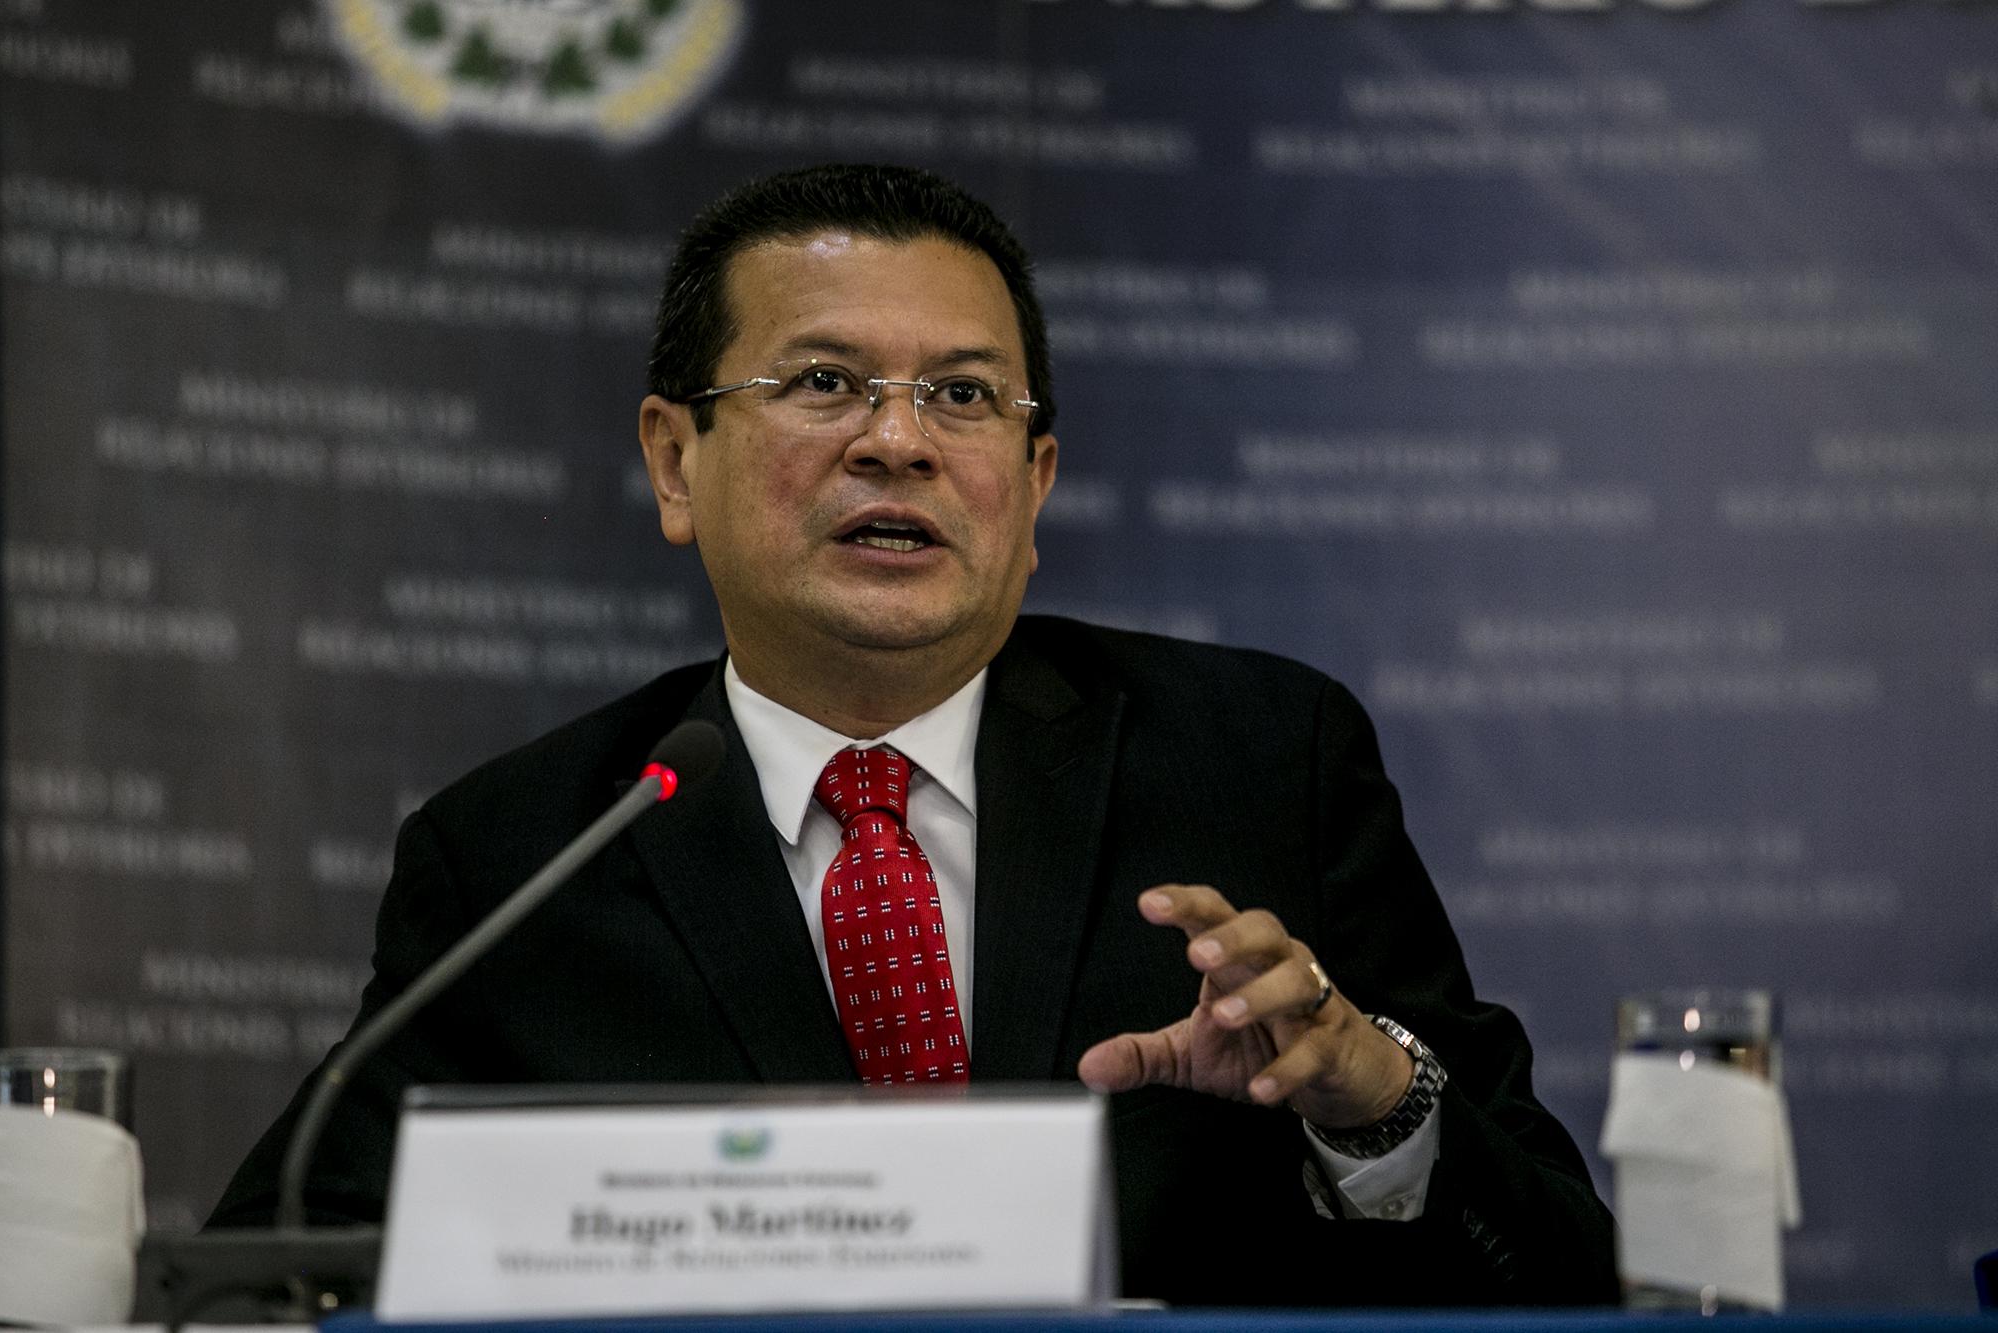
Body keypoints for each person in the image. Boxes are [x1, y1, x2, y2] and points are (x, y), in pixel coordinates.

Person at [213, 163, 1617, 1306]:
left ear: (1034, 478)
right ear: (672, 458)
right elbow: (262, 1280)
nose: (900, 440)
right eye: (825, 382)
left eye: (962, 395)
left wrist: (1371, 1104)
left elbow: (1567, 1277)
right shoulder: (520, 855)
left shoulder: (1260, 760)